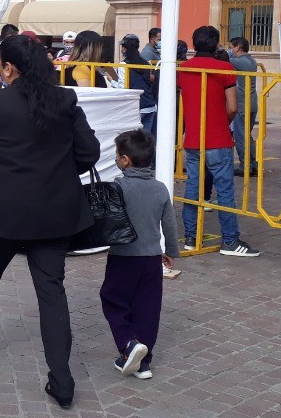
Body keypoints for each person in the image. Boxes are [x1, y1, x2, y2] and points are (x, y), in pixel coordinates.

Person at [0, 35, 100, 410]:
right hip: (53, 212)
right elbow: (89, 152)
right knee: (51, 290)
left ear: (8, 69)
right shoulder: (64, 100)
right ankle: (61, 380)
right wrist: (58, 173)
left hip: (2, 211)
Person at [100, 129, 178, 380]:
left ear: (125, 160)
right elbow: (170, 225)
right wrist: (170, 252)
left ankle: (128, 343)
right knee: (147, 308)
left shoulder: (118, 187)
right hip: (152, 258)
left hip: (123, 256)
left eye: (117, 155)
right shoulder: (160, 189)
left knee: (113, 299)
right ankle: (143, 363)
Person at [179, 26, 260, 257]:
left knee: (193, 188)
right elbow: (233, 106)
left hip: (193, 137)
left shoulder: (183, 68)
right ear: (216, 45)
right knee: (224, 191)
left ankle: (191, 237)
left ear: (194, 45)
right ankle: (230, 241)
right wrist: (221, 121)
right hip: (218, 138)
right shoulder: (224, 68)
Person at [228, 37, 259, 176]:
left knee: (240, 136)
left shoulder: (239, 61)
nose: (230, 50)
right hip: (251, 103)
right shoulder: (251, 61)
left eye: (231, 47)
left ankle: (244, 166)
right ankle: (253, 163)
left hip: (242, 104)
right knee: (248, 135)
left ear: (237, 47)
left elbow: (223, 59)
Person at [118, 34, 157, 134]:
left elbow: (122, 87)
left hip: (135, 107)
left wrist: (112, 80)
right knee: (146, 141)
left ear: (124, 48)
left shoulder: (124, 64)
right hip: (150, 105)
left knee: (135, 143)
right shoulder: (145, 63)